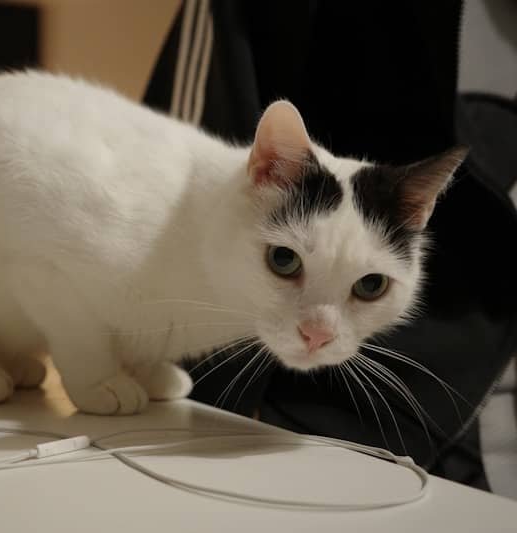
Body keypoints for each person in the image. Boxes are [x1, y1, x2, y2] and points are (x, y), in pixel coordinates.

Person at [144, 0, 517, 495]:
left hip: (435, 425)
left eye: (369, 285)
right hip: (289, 424)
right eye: (285, 261)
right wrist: (182, 423)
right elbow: (182, 183)